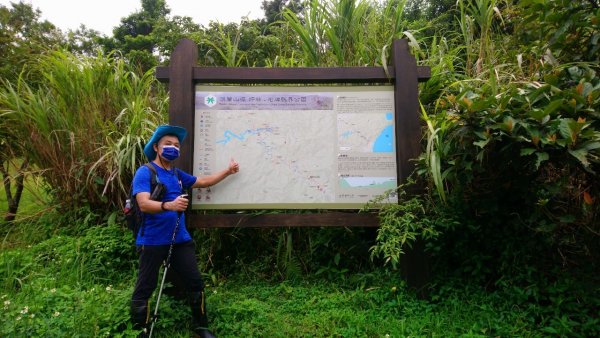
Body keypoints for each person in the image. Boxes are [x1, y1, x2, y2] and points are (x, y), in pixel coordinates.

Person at [130, 125, 239, 338]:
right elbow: (143, 203)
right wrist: (168, 206)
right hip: (152, 240)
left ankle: (201, 327)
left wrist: (228, 171)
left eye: (177, 145)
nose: (173, 148)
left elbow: (203, 181)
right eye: (168, 144)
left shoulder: (178, 175)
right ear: (156, 148)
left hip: (180, 240)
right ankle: (139, 330)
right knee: (145, 285)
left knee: (194, 281)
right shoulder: (145, 172)